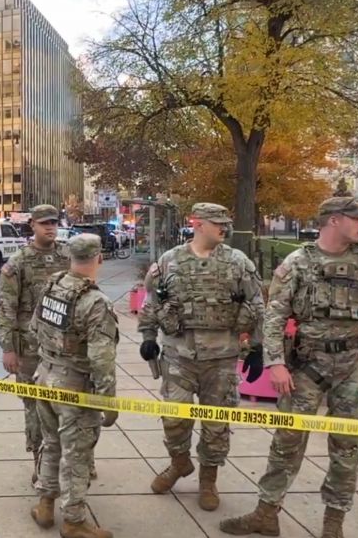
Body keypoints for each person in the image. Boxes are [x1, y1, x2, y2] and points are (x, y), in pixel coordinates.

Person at [219, 197, 358, 538]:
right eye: (357, 219)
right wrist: (276, 363)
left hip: (354, 366)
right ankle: (265, 514)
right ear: (334, 221)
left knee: (347, 446)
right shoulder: (298, 263)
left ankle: (333, 525)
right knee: (287, 440)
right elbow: (275, 317)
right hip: (306, 366)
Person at [137, 203, 265, 511]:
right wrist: (147, 337)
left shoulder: (237, 262)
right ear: (198, 224)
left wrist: (259, 347)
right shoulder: (170, 260)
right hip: (179, 355)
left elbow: (258, 304)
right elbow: (153, 300)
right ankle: (179, 463)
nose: (223, 228)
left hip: (221, 358)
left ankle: (208, 480)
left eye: (225, 223)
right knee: (174, 418)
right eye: (217, 223)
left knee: (216, 425)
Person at [28, 233, 118, 538]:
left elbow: (33, 329)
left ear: (70, 257)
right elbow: (101, 358)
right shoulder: (96, 301)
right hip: (75, 388)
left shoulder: (52, 285)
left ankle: (45, 505)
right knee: (77, 454)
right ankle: (74, 520)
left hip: (44, 377)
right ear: (100, 258)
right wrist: (108, 400)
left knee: (51, 444)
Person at [0, 204, 76, 484]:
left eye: (53, 222)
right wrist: (8, 348)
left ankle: (75, 460)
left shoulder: (68, 256)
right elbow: (5, 308)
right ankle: (40, 462)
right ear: (32, 225)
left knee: (70, 405)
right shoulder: (18, 263)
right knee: (34, 408)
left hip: (66, 348)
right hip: (30, 350)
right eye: (44, 223)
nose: (50, 227)